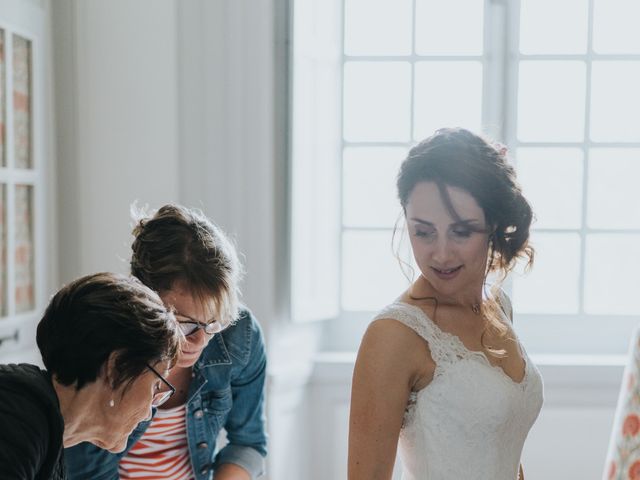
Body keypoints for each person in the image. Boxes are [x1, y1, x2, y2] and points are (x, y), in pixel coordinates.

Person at [348, 128, 544, 480]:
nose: (440, 254)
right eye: (423, 232)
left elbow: (502, 444)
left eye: (462, 231)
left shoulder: (499, 306)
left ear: (494, 224)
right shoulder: (393, 335)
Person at [66, 205, 267, 480]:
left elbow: (248, 443)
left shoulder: (239, 335)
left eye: (213, 322)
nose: (200, 340)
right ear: (143, 296)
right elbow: (87, 470)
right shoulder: (101, 345)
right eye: (184, 323)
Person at [0, 272, 181, 480]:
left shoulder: (48, 440)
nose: (148, 414)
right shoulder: (17, 421)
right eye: (156, 385)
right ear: (116, 368)